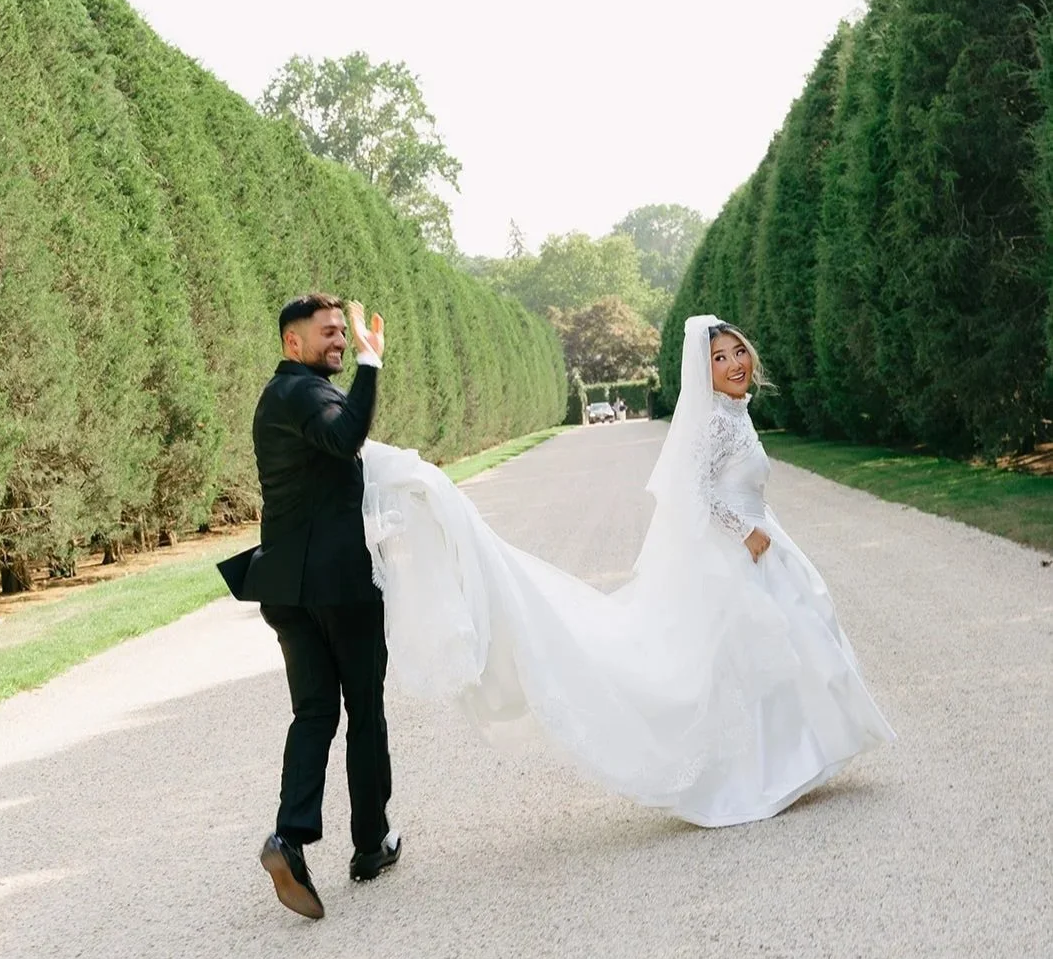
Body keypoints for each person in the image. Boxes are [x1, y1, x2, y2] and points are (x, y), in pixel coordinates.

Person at [360, 314, 894, 827]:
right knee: (750, 655)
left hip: (762, 544)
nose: (734, 364)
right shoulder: (714, 422)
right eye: (719, 358)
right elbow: (697, 492)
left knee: (786, 648)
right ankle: (758, 771)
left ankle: (793, 757)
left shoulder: (735, 412)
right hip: (743, 549)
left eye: (738, 353)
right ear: (702, 369)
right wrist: (744, 531)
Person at [218, 294, 399, 920]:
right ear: (291, 343)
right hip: (341, 586)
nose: (339, 343)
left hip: (287, 588)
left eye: (343, 338)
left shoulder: (277, 398)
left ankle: (288, 839)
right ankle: (371, 845)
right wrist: (371, 366)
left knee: (314, 712)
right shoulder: (306, 394)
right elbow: (349, 434)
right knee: (365, 707)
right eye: (328, 335)